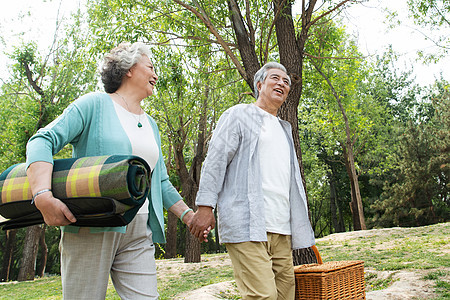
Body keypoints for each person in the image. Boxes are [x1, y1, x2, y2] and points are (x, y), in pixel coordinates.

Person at [26, 42, 198, 299]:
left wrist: (188, 217)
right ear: (128, 69)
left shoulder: (151, 124)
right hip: (92, 225)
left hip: (139, 228)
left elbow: (158, 180)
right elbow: (42, 140)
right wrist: (42, 195)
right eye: (150, 66)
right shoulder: (93, 105)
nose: (155, 74)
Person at [190, 62, 316, 299]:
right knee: (263, 296)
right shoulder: (239, 115)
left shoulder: (284, 129)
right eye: (275, 78)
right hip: (247, 224)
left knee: (285, 295)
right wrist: (206, 207)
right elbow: (215, 161)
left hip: (282, 228)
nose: (282, 83)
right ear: (259, 85)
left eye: (286, 82)